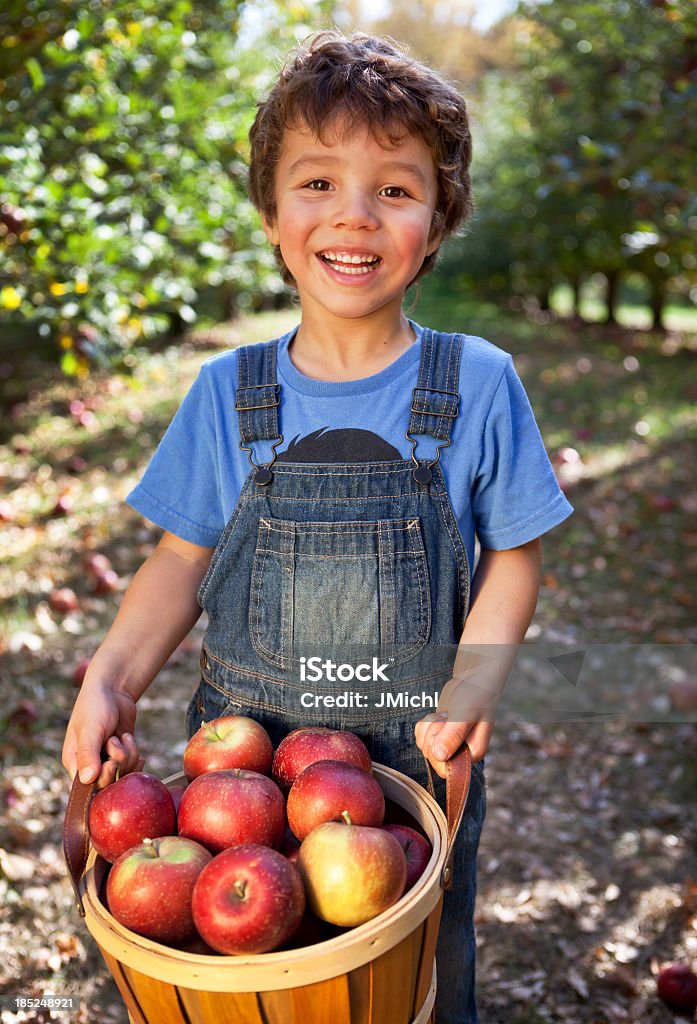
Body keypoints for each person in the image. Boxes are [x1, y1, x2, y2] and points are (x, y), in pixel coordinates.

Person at [62, 30, 573, 1024]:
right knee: (240, 988)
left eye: (393, 188)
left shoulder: (475, 382)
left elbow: (514, 553)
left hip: (407, 777)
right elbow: (179, 561)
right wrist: (111, 679)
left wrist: (471, 691)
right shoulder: (228, 393)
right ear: (270, 213)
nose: (353, 212)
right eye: (317, 182)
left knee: (415, 992)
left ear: (435, 219)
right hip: (240, 777)